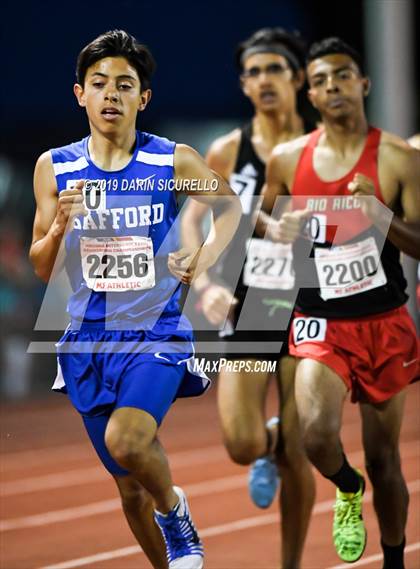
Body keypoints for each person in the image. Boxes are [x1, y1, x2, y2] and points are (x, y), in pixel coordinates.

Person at [29, 30, 241, 569]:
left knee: (128, 440)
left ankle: (178, 519)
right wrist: (57, 227)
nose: (111, 95)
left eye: (125, 85)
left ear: (142, 98)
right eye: (99, 84)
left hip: (156, 334)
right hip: (86, 343)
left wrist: (205, 257)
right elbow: (40, 263)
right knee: (128, 488)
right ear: (80, 94)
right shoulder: (55, 167)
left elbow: (231, 211)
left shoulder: (173, 160)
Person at [256, 37, 419, 568]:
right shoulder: (287, 158)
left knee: (385, 460)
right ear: (311, 92)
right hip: (320, 321)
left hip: (383, 322)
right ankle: (346, 489)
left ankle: (394, 559)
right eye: (322, 80)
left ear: (363, 84)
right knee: (317, 435)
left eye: (342, 76)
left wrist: (378, 214)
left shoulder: (396, 157)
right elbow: (263, 224)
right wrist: (281, 229)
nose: (333, 87)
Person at [182, 28, 315, 569]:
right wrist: (206, 282)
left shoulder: (322, 143)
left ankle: (290, 565)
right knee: (241, 441)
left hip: (309, 302)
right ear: (242, 84)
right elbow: (193, 218)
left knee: (300, 456)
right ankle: (271, 440)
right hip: (248, 304)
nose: (263, 81)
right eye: (253, 72)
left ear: (299, 78)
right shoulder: (227, 149)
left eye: (274, 70)